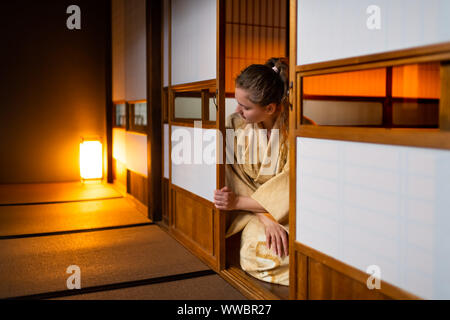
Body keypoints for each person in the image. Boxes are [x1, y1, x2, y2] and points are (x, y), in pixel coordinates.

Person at [213, 58, 290, 286]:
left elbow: (293, 185)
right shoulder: (234, 126)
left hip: (291, 211)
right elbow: (234, 176)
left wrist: (243, 202)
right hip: (251, 208)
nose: (238, 110)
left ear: (269, 108)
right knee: (260, 253)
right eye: (238, 103)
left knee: (302, 247)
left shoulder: (297, 131)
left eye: (245, 107)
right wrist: (264, 216)